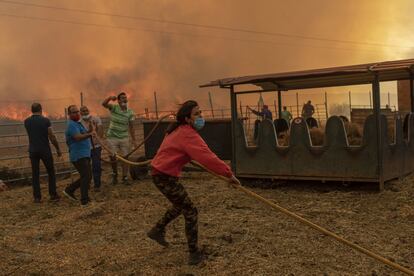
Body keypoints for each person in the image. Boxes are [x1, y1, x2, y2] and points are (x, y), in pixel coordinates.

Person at [147, 100, 241, 266]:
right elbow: (207, 157)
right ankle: (194, 253)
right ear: (187, 118)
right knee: (190, 211)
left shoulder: (179, 130)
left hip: (161, 174)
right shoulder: (187, 134)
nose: (201, 117)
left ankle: (157, 230)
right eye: (196, 114)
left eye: (200, 113)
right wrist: (228, 174)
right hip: (164, 175)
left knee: (180, 205)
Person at [24, 103, 62, 203]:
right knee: (51, 172)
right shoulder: (46, 121)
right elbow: (51, 136)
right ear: (41, 109)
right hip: (45, 150)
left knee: (35, 174)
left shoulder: (26, 121)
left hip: (33, 150)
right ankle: (53, 194)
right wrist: (57, 148)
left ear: (31, 110)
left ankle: (37, 197)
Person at [102, 92, 137, 185]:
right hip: (112, 137)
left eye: (125, 98)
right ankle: (115, 175)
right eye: (122, 98)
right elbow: (104, 104)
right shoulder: (114, 108)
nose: (124, 99)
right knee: (113, 156)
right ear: (118, 100)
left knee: (126, 157)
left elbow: (131, 127)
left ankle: (125, 177)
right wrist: (109, 97)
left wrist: (134, 140)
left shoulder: (130, 112)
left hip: (124, 137)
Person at [63, 105, 95, 206]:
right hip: (78, 155)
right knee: (87, 176)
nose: (77, 113)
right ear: (69, 114)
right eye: (74, 112)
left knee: (86, 176)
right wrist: (89, 134)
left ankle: (69, 190)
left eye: (77, 111)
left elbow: (87, 133)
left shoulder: (78, 124)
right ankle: (84, 200)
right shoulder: (72, 125)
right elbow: (77, 137)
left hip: (84, 154)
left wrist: (90, 127)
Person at [80, 105, 103, 192]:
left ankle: (97, 185)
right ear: (80, 113)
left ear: (88, 111)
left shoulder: (95, 119)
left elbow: (100, 129)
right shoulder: (79, 122)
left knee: (96, 165)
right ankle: (87, 184)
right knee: (86, 167)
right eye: (83, 111)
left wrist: (99, 139)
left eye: (86, 110)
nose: (85, 112)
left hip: (96, 147)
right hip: (84, 148)